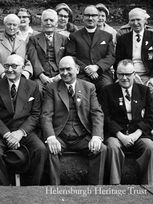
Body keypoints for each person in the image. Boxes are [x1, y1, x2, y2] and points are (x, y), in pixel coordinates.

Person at [41, 56, 107, 185]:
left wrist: (96, 137)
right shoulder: (52, 88)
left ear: (77, 69)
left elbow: (97, 113)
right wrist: (51, 137)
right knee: (50, 149)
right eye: (61, 70)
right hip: (61, 136)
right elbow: (46, 115)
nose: (64, 73)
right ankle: (55, 190)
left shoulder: (89, 87)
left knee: (101, 149)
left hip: (82, 136)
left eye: (68, 69)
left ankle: (95, 189)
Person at [0, 54, 47, 185]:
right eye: (7, 66)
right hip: (2, 131)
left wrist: (20, 132)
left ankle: (32, 187)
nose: (9, 70)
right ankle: (4, 187)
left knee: (40, 149)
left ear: (23, 68)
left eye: (14, 66)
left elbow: (35, 114)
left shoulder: (32, 86)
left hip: (24, 130)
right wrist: (7, 134)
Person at [101, 59, 153, 185]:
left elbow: (151, 117)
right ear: (116, 74)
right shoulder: (107, 91)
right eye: (121, 74)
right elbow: (105, 117)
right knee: (113, 147)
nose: (124, 78)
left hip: (138, 133)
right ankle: (115, 185)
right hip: (116, 134)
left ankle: (148, 185)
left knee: (150, 147)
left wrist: (137, 134)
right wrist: (120, 135)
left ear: (134, 74)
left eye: (128, 74)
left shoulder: (144, 91)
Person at [115, 8, 153, 118]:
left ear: (145, 21)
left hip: (148, 75)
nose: (135, 23)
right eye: (132, 20)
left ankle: (150, 122)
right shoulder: (123, 39)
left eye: (138, 19)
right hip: (128, 74)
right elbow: (118, 60)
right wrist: (128, 75)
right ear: (129, 22)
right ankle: (130, 120)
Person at [66, 5, 115, 93]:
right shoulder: (74, 36)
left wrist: (97, 67)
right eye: (87, 15)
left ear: (98, 17)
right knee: (83, 87)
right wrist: (86, 69)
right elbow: (71, 56)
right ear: (83, 17)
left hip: (102, 73)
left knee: (107, 86)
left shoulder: (107, 36)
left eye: (93, 15)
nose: (90, 18)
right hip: (81, 73)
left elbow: (111, 56)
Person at [27, 9, 68, 90]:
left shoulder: (64, 39)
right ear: (42, 24)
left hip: (61, 74)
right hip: (41, 75)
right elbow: (34, 59)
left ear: (56, 24)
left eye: (51, 20)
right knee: (37, 88)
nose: (48, 23)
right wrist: (41, 76)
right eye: (46, 20)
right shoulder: (33, 39)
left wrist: (60, 75)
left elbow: (68, 58)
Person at [0, 14, 33, 81]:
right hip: (1, 78)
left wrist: (25, 73)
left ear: (18, 27)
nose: (11, 27)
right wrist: (3, 74)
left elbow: (27, 60)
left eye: (14, 25)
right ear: (4, 24)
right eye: (9, 24)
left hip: (20, 78)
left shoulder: (23, 43)